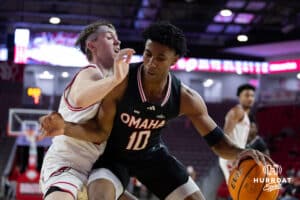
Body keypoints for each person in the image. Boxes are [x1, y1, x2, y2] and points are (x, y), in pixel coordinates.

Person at [40, 22, 273, 200]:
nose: (151, 63)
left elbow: (216, 140)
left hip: (152, 156)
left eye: (160, 58)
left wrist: (241, 153)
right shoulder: (120, 82)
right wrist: (65, 127)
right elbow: (100, 130)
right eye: (148, 54)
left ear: (175, 61)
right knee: (100, 195)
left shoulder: (185, 97)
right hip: (113, 158)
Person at [39, 20, 136, 200]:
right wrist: (115, 79)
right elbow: (82, 97)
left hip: (96, 172)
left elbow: (101, 133)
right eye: (109, 37)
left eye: (117, 39)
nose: (117, 42)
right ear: (91, 45)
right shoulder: (90, 72)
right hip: (67, 166)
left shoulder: (113, 86)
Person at [219, 84, 256, 183]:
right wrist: (230, 155)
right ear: (239, 97)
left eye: (252, 96)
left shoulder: (245, 116)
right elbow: (224, 135)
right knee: (240, 190)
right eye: (247, 95)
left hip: (236, 156)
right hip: (230, 156)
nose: (250, 98)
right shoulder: (237, 111)